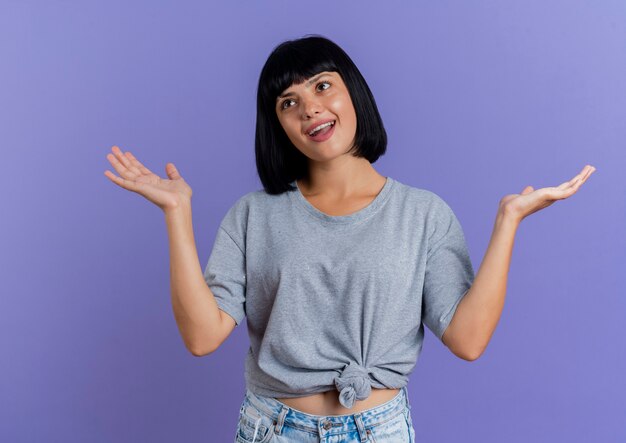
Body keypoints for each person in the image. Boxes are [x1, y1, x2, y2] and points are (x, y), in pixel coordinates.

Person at [104, 34, 595, 443]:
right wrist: (177, 212)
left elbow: (468, 341)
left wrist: (508, 221)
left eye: (322, 86)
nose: (310, 109)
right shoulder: (253, 215)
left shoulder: (422, 214)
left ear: (353, 92)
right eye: (289, 102)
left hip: (380, 429)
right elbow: (201, 336)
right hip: (274, 429)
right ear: (277, 125)